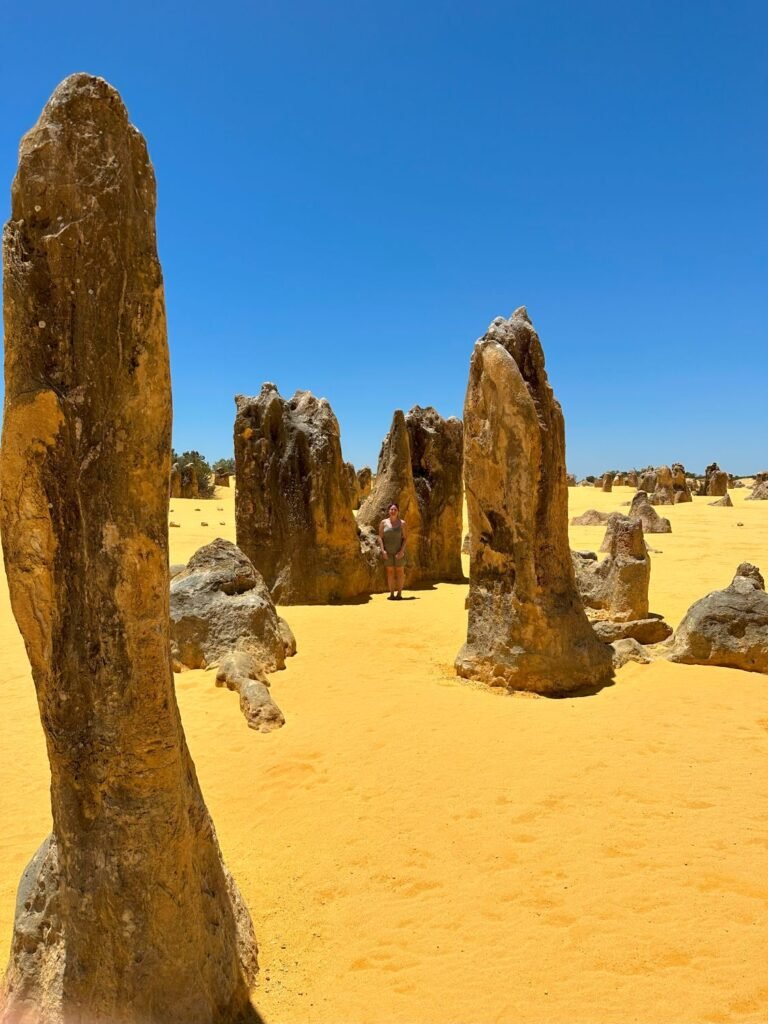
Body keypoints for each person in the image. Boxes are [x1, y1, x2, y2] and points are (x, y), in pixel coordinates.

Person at [378, 502, 407, 600]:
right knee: (390, 572)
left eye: (395, 510)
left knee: (400, 572)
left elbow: (405, 538)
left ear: (398, 511)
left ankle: (399, 594)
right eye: (391, 509)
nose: (393, 511)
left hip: (399, 552)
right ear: (388, 511)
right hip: (388, 552)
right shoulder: (383, 523)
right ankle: (391, 594)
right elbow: (380, 538)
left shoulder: (402, 523)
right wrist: (383, 551)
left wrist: (402, 551)